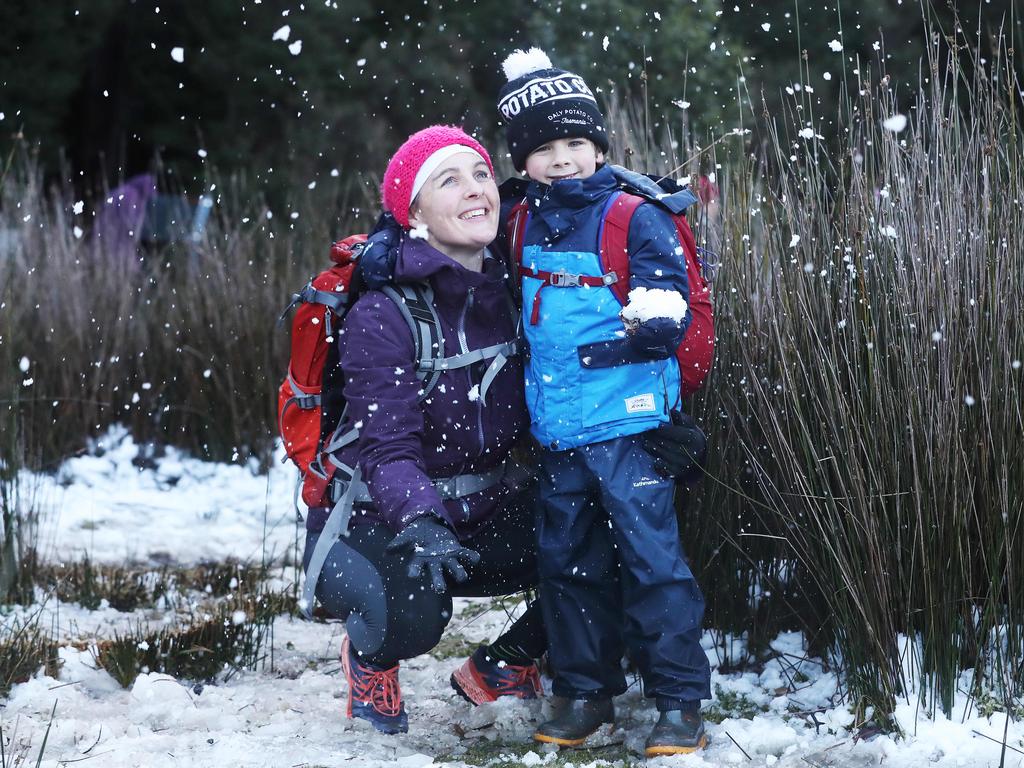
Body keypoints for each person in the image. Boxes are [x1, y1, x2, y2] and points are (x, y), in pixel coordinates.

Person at [496, 49, 713, 756]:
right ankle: (584, 692)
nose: (562, 160)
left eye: (574, 144)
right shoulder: (520, 222)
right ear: (522, 160)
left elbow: (666, 288)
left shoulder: (631, 215)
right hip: (558, 432)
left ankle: (679, 700)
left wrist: (657, 318)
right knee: (568, 567)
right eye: (544, 149)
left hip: (629, 428)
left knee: (655, 565)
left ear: (597, 146)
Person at [302, 125, 546, 735]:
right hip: (383, 519)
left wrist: (638, 437)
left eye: (481, 174)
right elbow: (386, 453)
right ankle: (372, 659)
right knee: (412, 610)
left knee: (616, 532)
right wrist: (422, 519)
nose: (475, 190)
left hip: (489, 507)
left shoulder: (520, 288)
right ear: (411, 212)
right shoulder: (382, 312)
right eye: (449, 179)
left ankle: (508, 662)